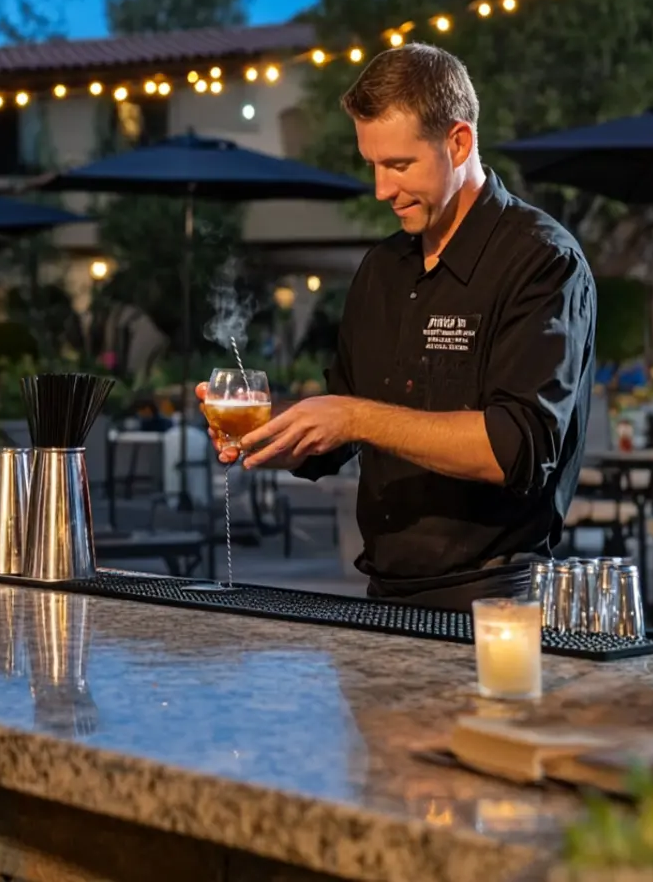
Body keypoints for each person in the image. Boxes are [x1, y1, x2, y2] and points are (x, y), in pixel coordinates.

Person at [201, 43, 596, 612]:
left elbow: (516, 449)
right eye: (373, 166)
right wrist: (271, 432)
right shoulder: (382, 270)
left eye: (400, 165)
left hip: (496, 603)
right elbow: (337, 434)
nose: (382, 189)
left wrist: (354, 416)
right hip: (382, 599)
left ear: (458, 142)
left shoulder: (540, 260)